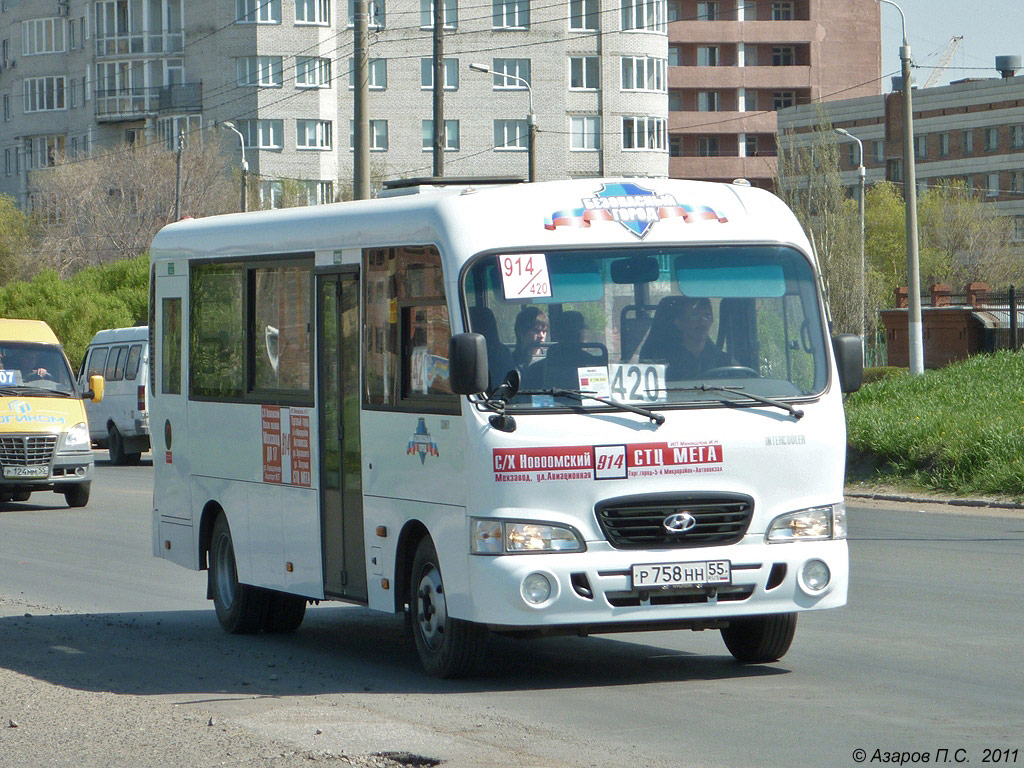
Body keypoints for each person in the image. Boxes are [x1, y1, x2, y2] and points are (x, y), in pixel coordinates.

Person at [665, 297, 734, 379]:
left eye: (706, 316)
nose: (702, 322)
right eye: (694, 316)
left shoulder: (724, 360)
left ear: (712, 320)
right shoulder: (667, 363)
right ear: (679, 322)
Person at [513, 306, 549, 371]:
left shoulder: (549, 361)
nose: (541, 336)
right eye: (536, 331)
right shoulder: (509, 362)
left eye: (544, 331)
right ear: (521, 332)